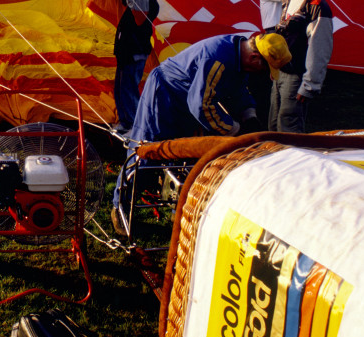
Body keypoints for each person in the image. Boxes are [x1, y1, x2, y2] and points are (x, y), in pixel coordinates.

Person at [111, 32, 291, 235]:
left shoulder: (241, 54)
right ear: (255, 58)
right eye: (264, 68)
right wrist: (235, 131)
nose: (263, 74)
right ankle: (120, 208)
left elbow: (238, 90)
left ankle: (178, 211)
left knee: (184, 156)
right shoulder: (218, 58)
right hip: (163, 96)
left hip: (185, 101)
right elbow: (201, 106)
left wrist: (250, 116)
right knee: (145, 152)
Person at [269, 0, 333, 133]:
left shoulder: (318, 6)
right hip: (279, 72)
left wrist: (310, 85)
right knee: (272, 128)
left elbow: (320, 49)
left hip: (297, 75)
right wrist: (273, 64)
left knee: (288, 127)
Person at [109, 0, 161, 134]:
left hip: (134, 52)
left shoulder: (148, 2)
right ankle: (126, 123)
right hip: (127, 52)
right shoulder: (139, 3)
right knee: (121, 88)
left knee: (128, 88)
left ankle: (136, 125)